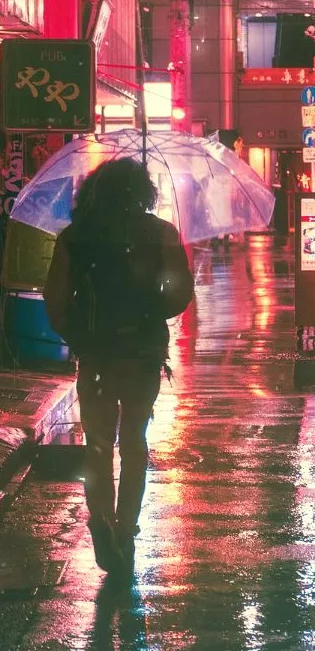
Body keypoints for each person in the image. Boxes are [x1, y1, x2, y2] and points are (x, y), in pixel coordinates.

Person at [43, 158, 194, 580]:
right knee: (134, 441)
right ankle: (125, 529)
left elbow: (54, 299)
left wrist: (78, 333)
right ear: (142, 192)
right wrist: (153, 312)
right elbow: (180, 292)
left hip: (96, 356)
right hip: (144, 353)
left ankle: (101, 521)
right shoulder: (162, 234)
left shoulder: (76, 238)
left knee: (97, 443)